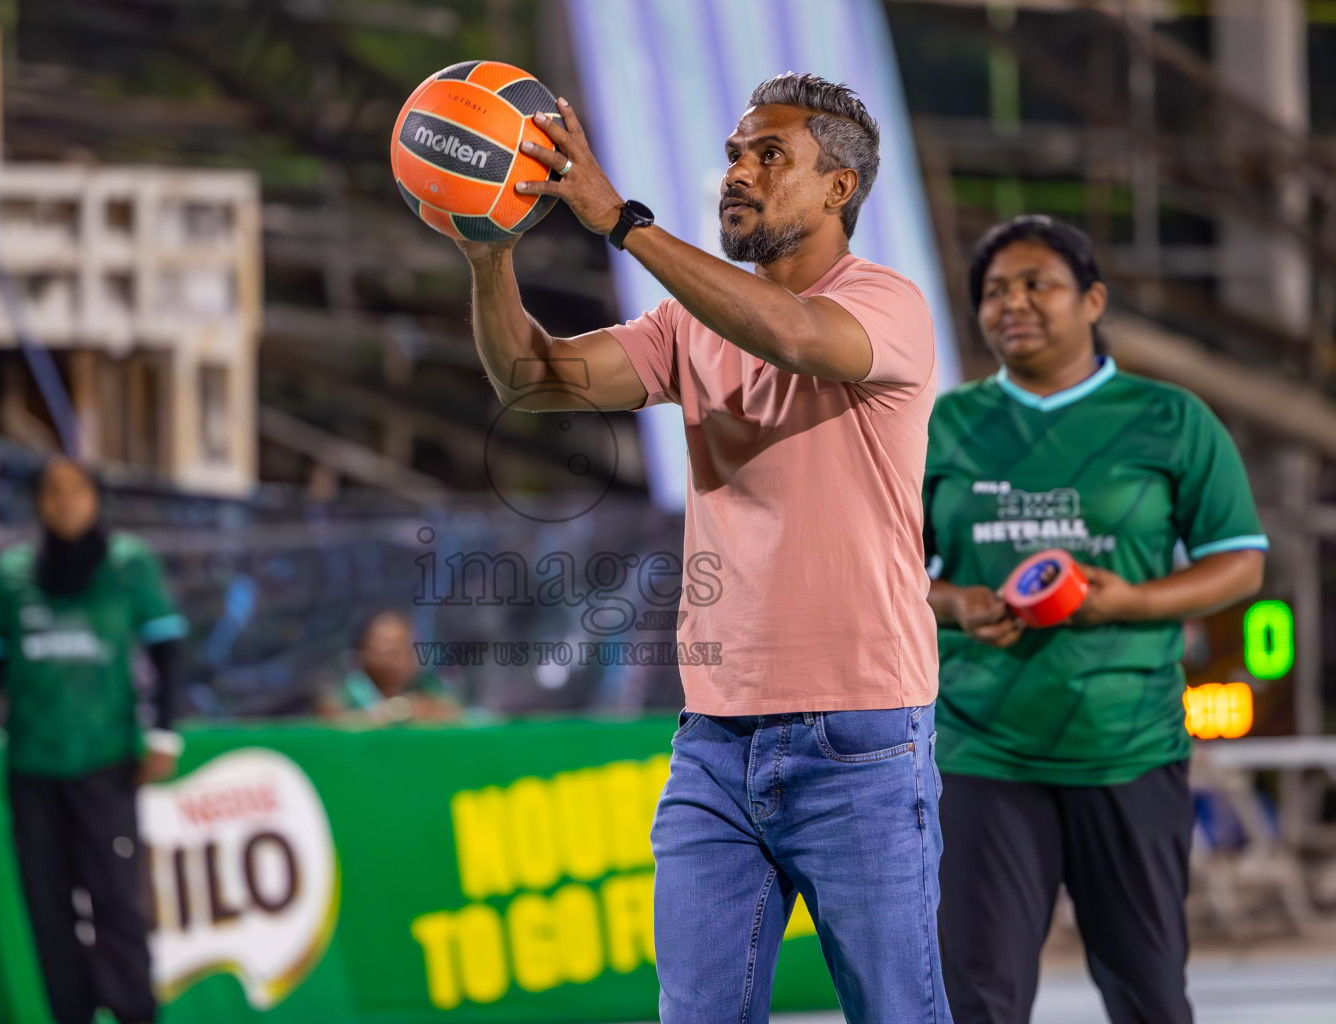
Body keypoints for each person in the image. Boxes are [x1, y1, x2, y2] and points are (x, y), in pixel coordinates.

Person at [457, 74, 947, 1022]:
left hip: (861, 737)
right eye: (733, 153)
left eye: (771, 156)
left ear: (838, 188)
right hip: (716, 743)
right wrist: (489, 256)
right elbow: (533, 376)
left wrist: (623, 221)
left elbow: (795, 335)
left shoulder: (888, 305)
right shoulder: (689, 326)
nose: (739, 172)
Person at [924, 215, 1266, 1024]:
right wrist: (954, 604)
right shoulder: (942, 426)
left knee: (1147, 998)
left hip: (1129, 749)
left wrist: (1134, 601)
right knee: (975, 1001)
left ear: (1093, 299)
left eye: (1036, 283)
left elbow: (1241, 560)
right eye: (994, 291)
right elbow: (882, 570)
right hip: (981, 753)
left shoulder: (1170, 419)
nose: (1012, 303)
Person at [0, 457, 188, 1024]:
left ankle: (134, 1014)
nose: (65, 502)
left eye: (77, 490)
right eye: (52, 492)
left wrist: (164, 734)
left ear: (97, 498)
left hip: (105, 762)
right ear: (37, 502)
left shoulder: (128, 566)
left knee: (116, 904)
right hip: (32, 766)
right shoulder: (13, 574)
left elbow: (167, 649)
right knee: (47, 911)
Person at [318, 609, 459, 723]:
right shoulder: (348, 690)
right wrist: (386, 714)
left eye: (400, 648)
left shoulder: (427, 685)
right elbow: (329, 720)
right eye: (383, 650)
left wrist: (409, 710)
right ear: (363, 652)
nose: (392, 660)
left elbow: (454, 713)